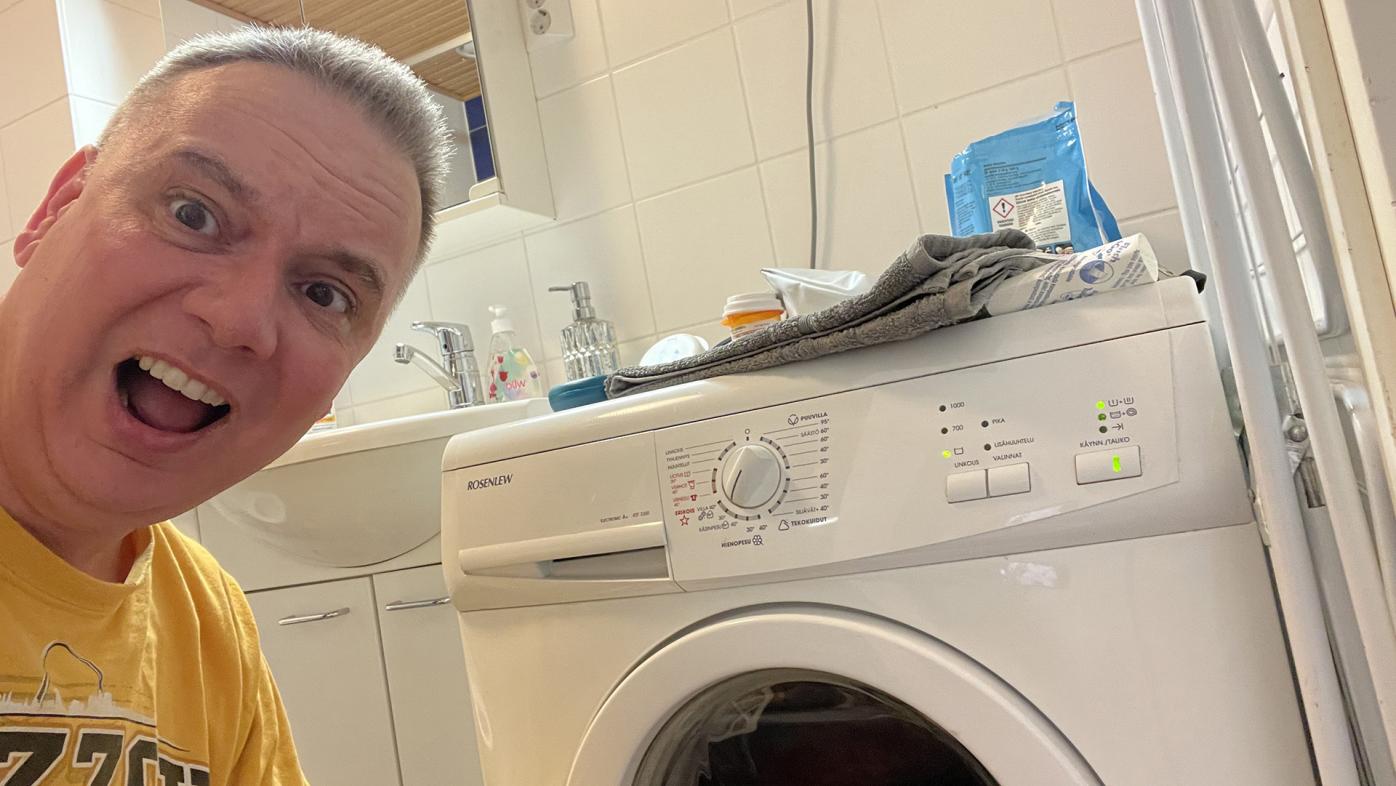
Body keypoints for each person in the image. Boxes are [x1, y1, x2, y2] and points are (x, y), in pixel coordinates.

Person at [0, 26, 452, 784]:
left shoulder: (206, 623)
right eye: (194, 214)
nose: (240, 320)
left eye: (324, 294)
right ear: (58, 209)